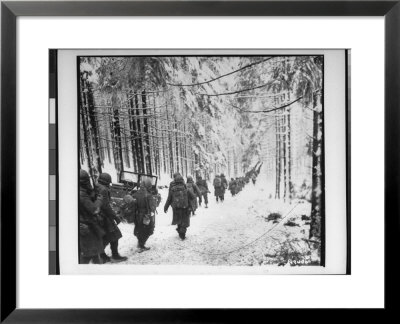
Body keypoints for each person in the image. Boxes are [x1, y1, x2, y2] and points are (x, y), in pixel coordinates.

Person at [95, 172, 127, 262]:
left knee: (105, 237)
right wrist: (116, 217)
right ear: (106, 182)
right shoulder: (104, 189)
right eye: (109, 182)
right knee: (115, 235)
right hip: (105, 217)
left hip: (99, 217)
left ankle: (101, 255)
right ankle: (114, 255)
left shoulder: (96, 186)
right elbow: (105, 206)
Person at [79, 170, 104, 264]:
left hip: (85, 225)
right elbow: (94, 209)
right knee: (87, 255)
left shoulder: (80, 192)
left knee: (94, 253)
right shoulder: (81, 194)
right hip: (87, 226)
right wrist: (99, 200)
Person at [164, 175, 195, 240]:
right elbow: (193, 197)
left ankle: (179, 230)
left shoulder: (173, 189)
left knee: (178, 220)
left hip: (176, 208)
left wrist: (165, 207)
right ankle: (182, 234)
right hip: (185, 207)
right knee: (184, 221)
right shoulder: (185, 188)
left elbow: (169, 199)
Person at [130, 179, 156, 253]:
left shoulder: (136, 193)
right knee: (148, 230)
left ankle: (140, 243)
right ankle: (141, 245)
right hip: (145, 215)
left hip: (137, 215)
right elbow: (153, 207)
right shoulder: (149, 195)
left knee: (139, 229)